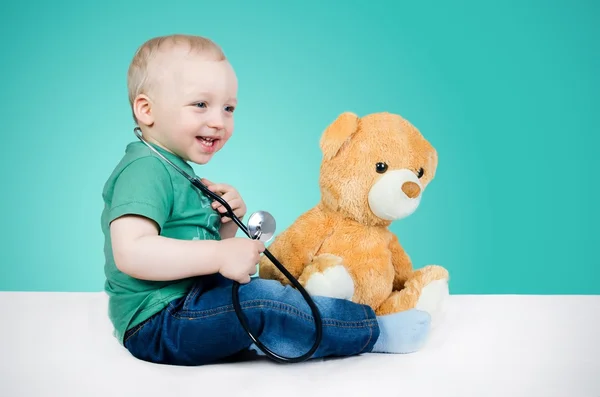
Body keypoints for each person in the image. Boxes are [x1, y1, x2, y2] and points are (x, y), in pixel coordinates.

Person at [100, 34, 431, 366]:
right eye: (201, 104)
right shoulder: (144, 169)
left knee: (265, 297)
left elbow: (193, 249)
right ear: (146, 110)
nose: (218, 120)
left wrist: (225, 226)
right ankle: (374, 331)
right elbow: (132, 251)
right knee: (264, 303)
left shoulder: (176, 169)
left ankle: (306, 327)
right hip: (158, 322)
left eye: (228, 108)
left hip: (193, 302)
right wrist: (219, 254)